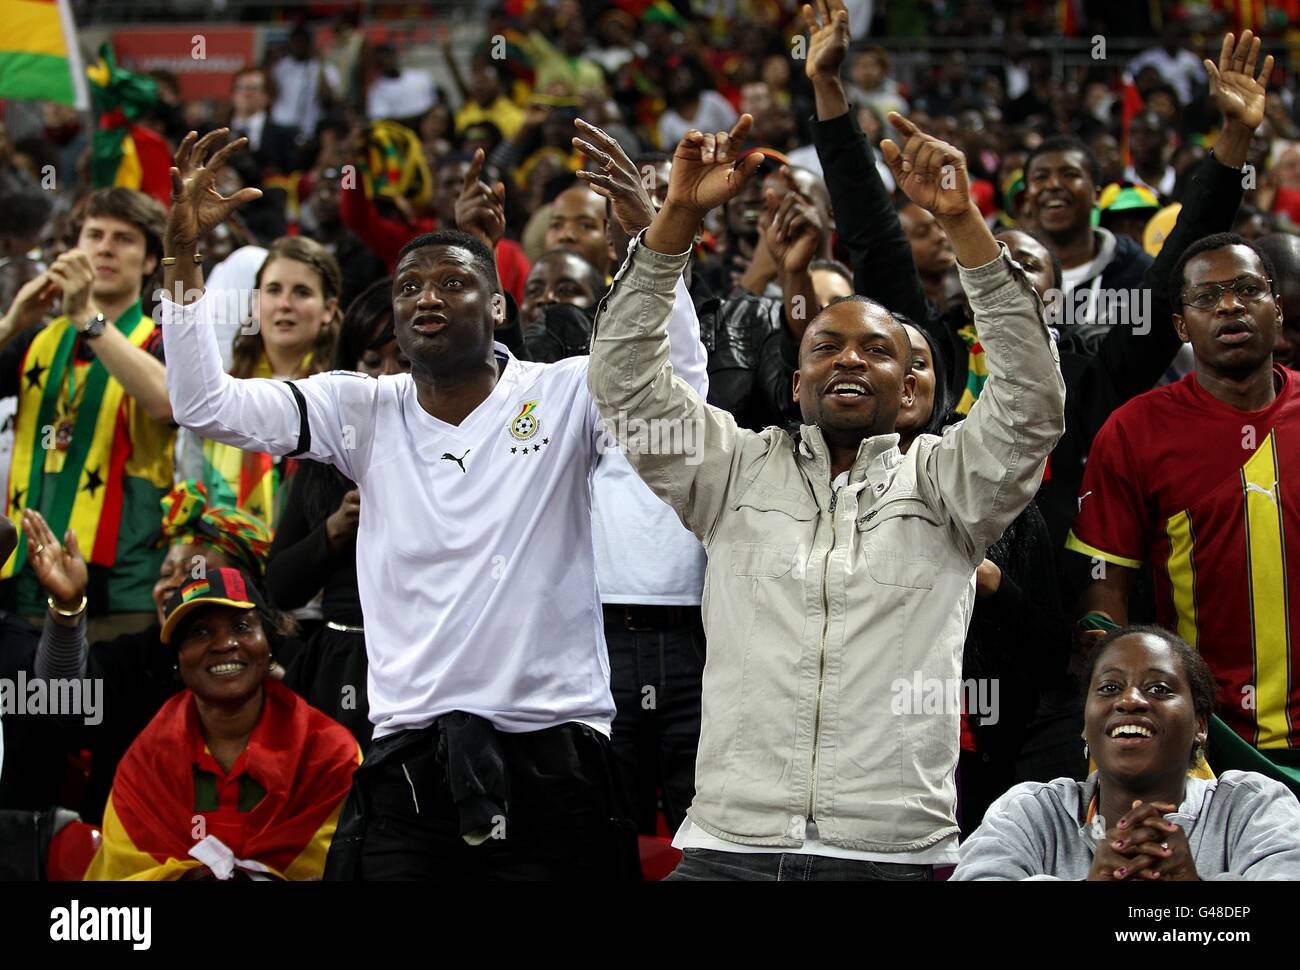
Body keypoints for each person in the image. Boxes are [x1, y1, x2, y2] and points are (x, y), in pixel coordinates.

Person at [159, 127, 712, 880]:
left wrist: (657, 246)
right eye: (409, 286)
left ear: (497, 305)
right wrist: (183, 261)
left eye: (451, 282)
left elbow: (677, 401)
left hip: (557, 756)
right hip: (410, 762)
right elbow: (201, 403)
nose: (426, 296)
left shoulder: (563, 391)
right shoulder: (360, 408)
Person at [587, 95, 1065, 881]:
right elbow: (626, 384)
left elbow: (1033, 403)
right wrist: (673, 220)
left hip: (887, 851)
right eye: (825, 347)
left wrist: (963, 226)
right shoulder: (729, 470)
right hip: (727, 845)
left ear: (913, 384)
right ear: (796, 379)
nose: (848, 359)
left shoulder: (952, 485)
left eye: (875, 350)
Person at [1068, 231, 1300, 760]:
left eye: (1247, 290)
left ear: (1278, 308)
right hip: (1205, 739)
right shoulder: (1135, 429)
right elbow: (1107, 587)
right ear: (1180, 326)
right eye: (1205, 297)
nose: (1230, 306)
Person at [16, 482, 276, 824]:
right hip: (132, 853)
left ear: (246, 585)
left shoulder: (285, 662)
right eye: (166, 572)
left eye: (193, 572)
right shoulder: (132, 658)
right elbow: (62, 702)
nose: (172, 583)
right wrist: (67, 609)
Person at [952, 626, 1300, 880]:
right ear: (1085, 725)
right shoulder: (1031, 813)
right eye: (1109, 688)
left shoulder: (1254, 806)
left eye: (1159, 689)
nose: (1130, 700)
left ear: (1200, 725)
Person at [84, 567, 359, 880]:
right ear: (178, 657)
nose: (224, 643)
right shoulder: (146, 760)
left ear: (269, 644)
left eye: (241, 627)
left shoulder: (329, 751)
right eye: (200, 632)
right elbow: (124, 870)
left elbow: (347, 860)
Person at [0, 188, 174, 641]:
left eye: (124, 239)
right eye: (94, 235)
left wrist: (87, 318)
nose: (105, 248)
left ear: (151, 260)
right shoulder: (35, 340)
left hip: (123, 592)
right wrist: (10, 323)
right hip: (24, 585)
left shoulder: (163, 339)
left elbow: (167, 402)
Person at [269, 278, 406, 746]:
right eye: (371, 361)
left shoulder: (465, 450)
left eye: (403, 361)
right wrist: (335, 528)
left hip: (429, 664)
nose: (387, 377)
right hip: (341, 663)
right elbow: (280, 587)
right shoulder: (325, 457)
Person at [180, 236, 341, 527]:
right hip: (220, 560)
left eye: (301, 292)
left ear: (328, 309)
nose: (284, 304)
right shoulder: (219, 394)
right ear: (255, 303)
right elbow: (191, 488)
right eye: (273, 290)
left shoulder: (344, 400)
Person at [227, 67, 301, 175]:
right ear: (233, 94)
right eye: (241, 87)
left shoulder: (285, 136)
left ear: (267, 96)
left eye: (253, 88)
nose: (247, 94)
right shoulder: (215, 133)